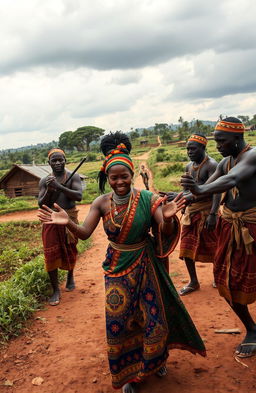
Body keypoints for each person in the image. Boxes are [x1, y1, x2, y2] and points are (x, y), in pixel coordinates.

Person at [38, 132, 206, 393]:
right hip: (116, 266)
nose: (119, 182)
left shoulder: (148, 199)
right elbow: (84, 233)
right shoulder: (100, 202)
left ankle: (156, 360)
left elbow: (165, 229)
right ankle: (128, 373)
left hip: (147, 263)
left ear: (131, 175)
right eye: (114, 177)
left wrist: (170, 218)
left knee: (153, 317)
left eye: (124, 176)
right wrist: (68, 222)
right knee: (120, 321)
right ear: (107, 177)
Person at [181, 117, 256, 358]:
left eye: (222, 141)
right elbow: (205, 189)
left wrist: (200, 189)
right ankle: (252, 330)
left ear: (237, 138)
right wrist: (180, 195)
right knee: (225, 280)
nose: (218, 145)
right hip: (230, 225)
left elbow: (230, 180)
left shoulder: (251, 156)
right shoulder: (226, 161)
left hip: (252, 229)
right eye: (216, 141)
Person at [161, 134, 220, 295]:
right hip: (191, 212)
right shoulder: (189, 166)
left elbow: (216, 192)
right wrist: (177, 196)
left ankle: (217, 277)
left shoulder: (212, 165)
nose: (189, 152)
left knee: (215, 247)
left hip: (207, 212)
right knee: (186, 247)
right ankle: (193, 281)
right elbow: (187, 190)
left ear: (203, 148)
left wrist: (213, 214)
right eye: (187, 149)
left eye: (192, 148)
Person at [38, 148, 82, 306]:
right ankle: (55, 289)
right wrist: (50, 190)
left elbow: (79, 195)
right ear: (48, 163)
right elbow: (41, 203)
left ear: (65, 160)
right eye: (54, 160)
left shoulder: (73, 176)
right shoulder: (45, 181)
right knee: (50, 252)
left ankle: (70, 276)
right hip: (50, 218)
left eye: (60, 160)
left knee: (70, 248)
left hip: (69, 217)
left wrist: (60, 187)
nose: (57, 163)